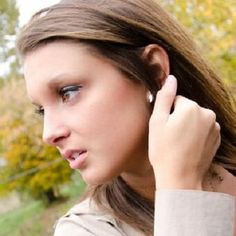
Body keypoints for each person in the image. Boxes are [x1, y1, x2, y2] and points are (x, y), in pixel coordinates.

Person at [16, 0, 236, 235]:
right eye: (41, 110)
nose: (48, 134)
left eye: (68, 92)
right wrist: (181, 188)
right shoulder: (85, 230)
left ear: (153, 71)